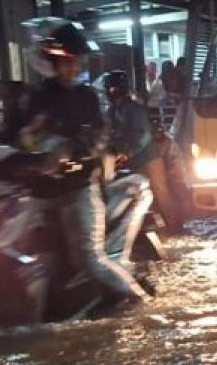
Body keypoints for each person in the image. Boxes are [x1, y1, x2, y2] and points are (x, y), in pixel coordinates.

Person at [21, 17, 148, 305]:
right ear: (51, 63)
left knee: (90, 259)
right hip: (40, 189)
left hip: (79, 185)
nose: (73, 67)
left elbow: (98, 135)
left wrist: (73, 150)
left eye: (76, 61)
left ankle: (140, 303)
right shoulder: (36, 97)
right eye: (67, 61)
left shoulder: (87, 97)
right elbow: (15, 133)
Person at [104, 69, 181, 229]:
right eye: (109, 89)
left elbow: (143, 136)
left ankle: (175, 228)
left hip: (148, 159)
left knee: (161, 193)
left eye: (112, 88)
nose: (110, 92)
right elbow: (107, 134)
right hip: (128, 162)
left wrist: (126, 153)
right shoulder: (111, 112)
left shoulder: (134, 109)